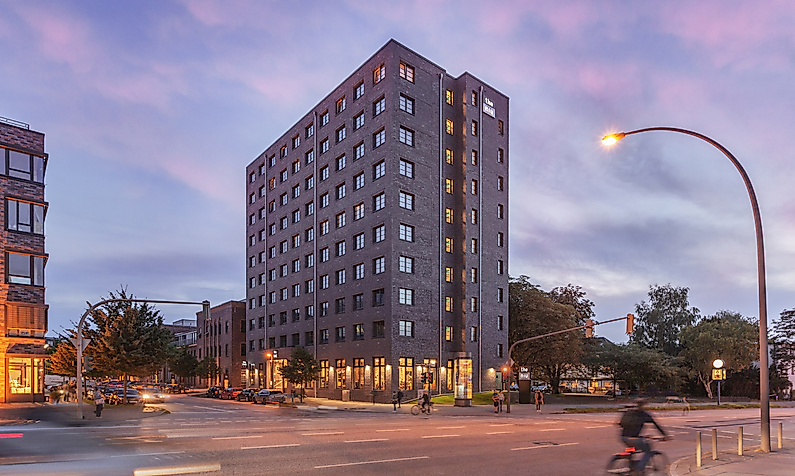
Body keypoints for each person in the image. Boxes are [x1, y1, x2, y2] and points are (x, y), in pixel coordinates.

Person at [619, 399, 669, 473]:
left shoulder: (629, 412)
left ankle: (631, 466)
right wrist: (665, 435)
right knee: (647, 451)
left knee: (633, 449)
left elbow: (621, 424)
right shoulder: (644, 414)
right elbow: (656, 425)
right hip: (634, 438)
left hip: (623, 437)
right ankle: (639, 469)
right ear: (643, 405)